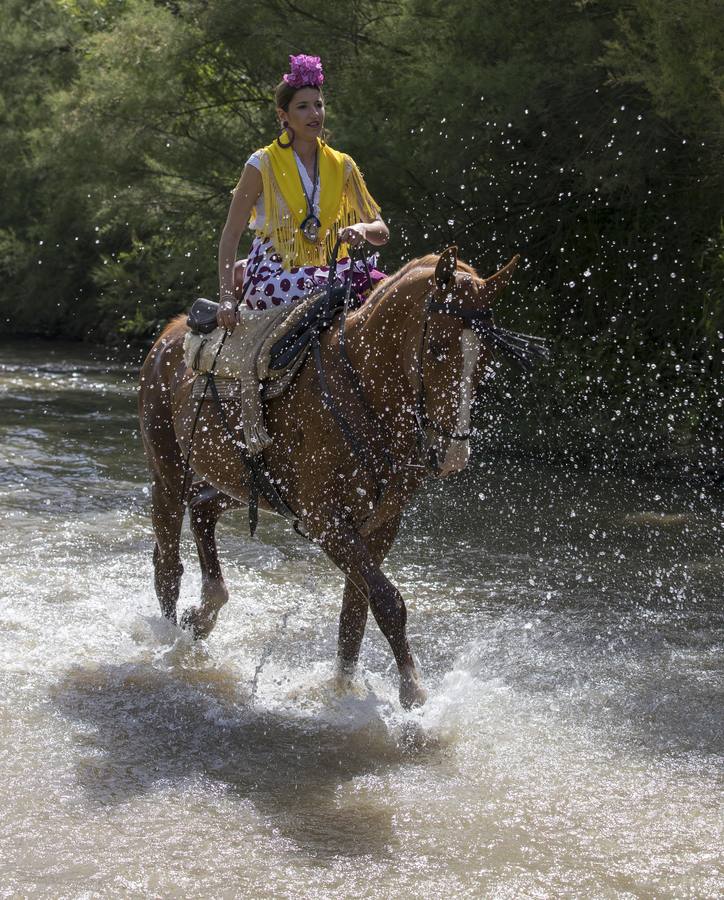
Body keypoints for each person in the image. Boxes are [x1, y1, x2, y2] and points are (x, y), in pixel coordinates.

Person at [217, 54, 389, 330]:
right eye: (303, 107)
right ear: (283, 116)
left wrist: (362, 229)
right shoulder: (262, 164)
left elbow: (381, 231)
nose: (315, 114)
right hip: (273, 275)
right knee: (325, 292)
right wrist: (226, 297)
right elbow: (231, 234)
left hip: (327, 270)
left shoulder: (343, 166)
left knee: (384, 288)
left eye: (319, 105)